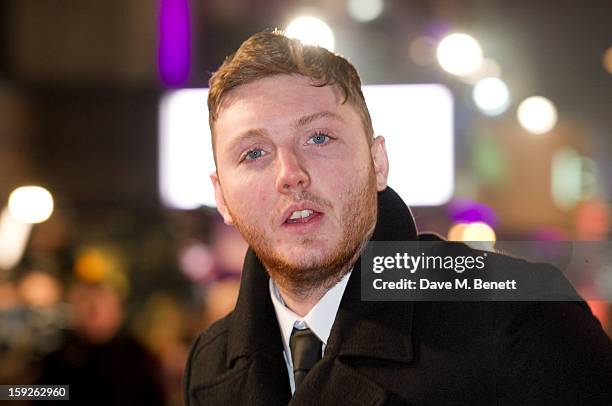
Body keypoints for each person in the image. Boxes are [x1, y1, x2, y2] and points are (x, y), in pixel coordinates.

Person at [184, 30, 611, 405]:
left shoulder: (520, 317)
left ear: (378, 161)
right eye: (253, 153)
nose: (290, 175)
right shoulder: (209, 362)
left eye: (319, 137)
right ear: (221, 195)